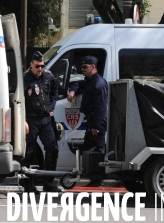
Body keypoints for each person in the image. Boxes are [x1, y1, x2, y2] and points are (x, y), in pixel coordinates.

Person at [22, 51, 62, 193]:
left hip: (46, 119)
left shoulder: (48, 76)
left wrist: (51, 106)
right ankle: (28, 184)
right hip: (31, 119)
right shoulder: (25, 79)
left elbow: (55, 90)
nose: (40, 69)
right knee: (30, 152)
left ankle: (48, 183)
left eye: (42, 66)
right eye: (37, 66)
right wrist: (23, 120)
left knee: (52, 149)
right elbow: (19, 100)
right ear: (31, 65)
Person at [67, 55, 108, 187]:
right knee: (88, 148)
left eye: (85, 67)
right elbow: (79, 83)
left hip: (97, 121)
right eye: (81, 67)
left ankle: (98, 179)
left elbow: (101, 107)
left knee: (98, 150)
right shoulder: (90, 81)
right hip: (91, 120)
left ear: (93, 67)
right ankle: (92, 176)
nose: (82, 69)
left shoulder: (98, 83)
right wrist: (73, 90)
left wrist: (96, 126)